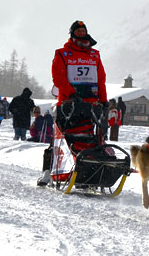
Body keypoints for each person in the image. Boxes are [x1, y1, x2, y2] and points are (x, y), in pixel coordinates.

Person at [39, 20, 108, 186]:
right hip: (68, 105)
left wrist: (104, 101)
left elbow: (101, 80)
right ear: (72, 33)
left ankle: (87, 170)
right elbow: (58, 78)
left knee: (88, 140)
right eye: (78, 31)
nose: (81, 33)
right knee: (59, 139)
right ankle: (48, 172)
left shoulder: (95, 55)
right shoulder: (62, 54)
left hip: (90, 106)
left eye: (83, 30)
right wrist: (72, 94)